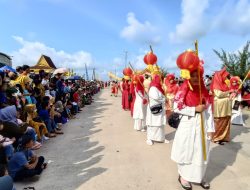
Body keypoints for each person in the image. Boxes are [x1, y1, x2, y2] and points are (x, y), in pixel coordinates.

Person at [171, 68, 214, 190]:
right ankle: (183, 176)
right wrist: (194, 109)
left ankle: (199, 177)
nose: (195, 78)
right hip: (188, 125)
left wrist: (211, 128)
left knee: (201, 152)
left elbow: (209, 111)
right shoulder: (183, 89)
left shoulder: (204, 91)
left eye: (198, 76)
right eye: (193, 75)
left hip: (202, 125)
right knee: (186, 151)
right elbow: (177, 107)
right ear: (188, 76)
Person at [210, 68, 232, 145]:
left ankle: (224, 137)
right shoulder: (216, 84)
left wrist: (231, 93)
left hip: (225, 106)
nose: (226, 78)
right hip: (219, 107)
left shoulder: (225, 84)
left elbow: (228, 93)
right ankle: (217, 138)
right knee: (219, 121)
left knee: (226, 120)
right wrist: (229, 92)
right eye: (225, 76)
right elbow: (219, 94)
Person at [146, 75, 169, 145]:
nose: (161, 81)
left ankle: (161, 138)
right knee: (152, 124)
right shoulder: (153, 88)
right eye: (160, 80)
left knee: (160, 124)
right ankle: (149, 138)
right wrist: (164, 99)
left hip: (160, 109)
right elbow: (156, 97)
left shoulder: (158, 87)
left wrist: (163, 98)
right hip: (154, 108)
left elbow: (161, 96)